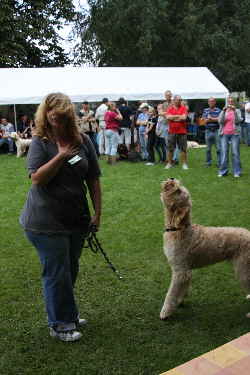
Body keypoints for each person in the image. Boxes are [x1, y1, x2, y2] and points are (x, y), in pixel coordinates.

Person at [19, 92, 102, 342]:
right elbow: (37, 179)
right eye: (54, 118)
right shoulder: (40, 142)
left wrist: (98, 213)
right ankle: (59, 324)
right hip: (44, 222)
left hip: (75, 219)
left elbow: (94, 180)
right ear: (46, 116)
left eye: (64, 118)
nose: (59, 123)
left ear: (70, 117)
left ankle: (69, 314)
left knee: (70, 269)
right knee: (57, 273)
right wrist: (61, 156)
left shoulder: (83, 140)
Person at [218, 96, 242, 178]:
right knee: (224, 153)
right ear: (227, 102)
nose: (230, 103)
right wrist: (223, 111)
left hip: (235, 134)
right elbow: (220, 121)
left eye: (232, 101)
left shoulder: (237, 111)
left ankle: (237, 172)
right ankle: (223, 171)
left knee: (235, 153)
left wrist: (234, 111)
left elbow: (238, 121)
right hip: (224, 134)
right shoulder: (224, 111)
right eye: (229, 101)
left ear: (234, 103)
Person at [165, 95, 189, 170]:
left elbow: (184, 118)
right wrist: (178, 117)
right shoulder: (170, 109)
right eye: (178, 100)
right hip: (172, 131)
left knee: (183, 149)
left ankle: (184, 164)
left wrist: (173, 117)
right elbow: (168, 117)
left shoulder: (184, 108)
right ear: (174, 100)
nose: (179, 101)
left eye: (180, 100)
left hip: (182, 132)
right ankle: (169, 163)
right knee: (170, 149)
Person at [202, 97, 221, 167]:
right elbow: (204, 120)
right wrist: (213, 119)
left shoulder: (218, 110)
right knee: (208, 149)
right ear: (208, 102)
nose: (211, 103)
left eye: (212, 101)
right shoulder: (205, 110)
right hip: (208, 131)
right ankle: (208, 163)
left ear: (215, 102)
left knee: (219, 148)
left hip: (216, 130)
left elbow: (220, 120)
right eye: (210, 101)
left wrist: (210, 118)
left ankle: (219, 163)